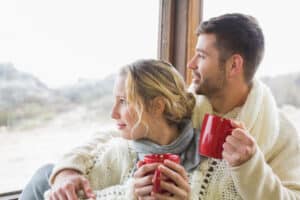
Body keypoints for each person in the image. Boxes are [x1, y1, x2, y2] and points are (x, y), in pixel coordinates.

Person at [20, 13, 300, 200]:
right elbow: (118, 133)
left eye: (201, 56)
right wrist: (68, 169)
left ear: (234, 65)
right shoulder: (188, 104)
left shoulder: (278, 132)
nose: (190, 65)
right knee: (44, 175)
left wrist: (250, 166)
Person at [43, 59, 203, 199]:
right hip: (45, 180)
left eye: (124, 101)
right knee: (43, 174)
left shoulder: (209, 159)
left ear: (157, 106)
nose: (113, 114)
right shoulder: (114, 154)